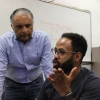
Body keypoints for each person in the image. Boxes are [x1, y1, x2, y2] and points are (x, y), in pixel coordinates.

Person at [0, 8, 53, 100]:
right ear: (12, 26)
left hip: (36, 83)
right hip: (12, 85)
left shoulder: (43, 39)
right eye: (19, 26)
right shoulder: (4, 41)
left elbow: (48, 69)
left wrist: (52, 94)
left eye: (28, 25)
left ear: (33, 24)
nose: (25, 30)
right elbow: (0, 72)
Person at [36, 33, 100, 100]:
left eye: (61, 52)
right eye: (55, 51)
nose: (55, 56)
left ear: (77, 57)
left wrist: (67, 93)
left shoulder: (93, 84)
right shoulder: (52, 79)